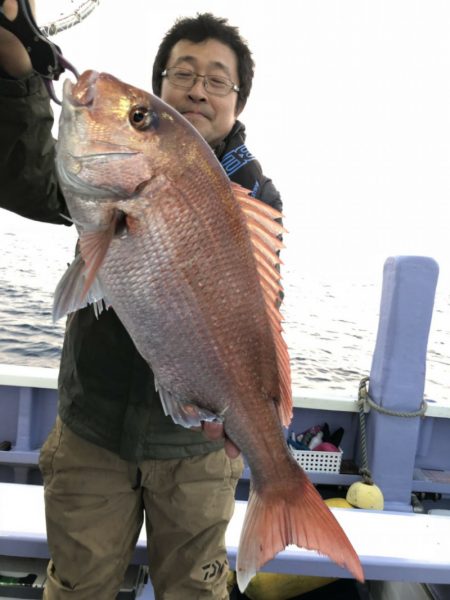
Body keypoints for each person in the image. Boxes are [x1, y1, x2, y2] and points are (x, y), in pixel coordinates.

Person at [0, 4, 282, 598]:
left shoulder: (255, 193)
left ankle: (280, 493)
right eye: (182, 73)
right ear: (162, 88)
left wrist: (252, 418)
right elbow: (23, 173)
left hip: (195, 452)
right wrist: (17, 73)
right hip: (92, 431)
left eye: (216, 78)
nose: (198, 89)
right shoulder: (104, 181)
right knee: (77, 588)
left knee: (192, 592)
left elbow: (260, 314)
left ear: (238, 101)